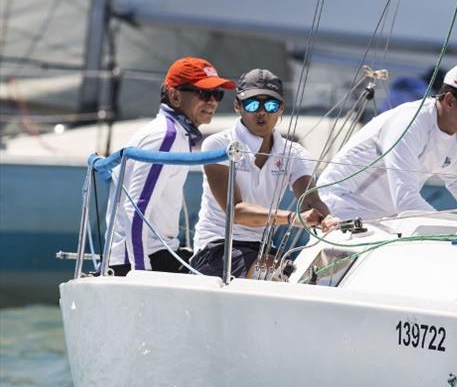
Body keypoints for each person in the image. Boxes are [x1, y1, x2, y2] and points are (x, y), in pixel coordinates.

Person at [191, 68, 337, 279]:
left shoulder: (294, 152)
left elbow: (310, 200)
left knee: (311, 276)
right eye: (252, 104)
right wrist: (292, 218)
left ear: (281, 109)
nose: (262, 112)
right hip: (216, 247)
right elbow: (236, 212)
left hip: (261, 249)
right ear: (237, 106)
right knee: (274, 273)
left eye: (270, 105)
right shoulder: (219, 144)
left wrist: (328, 218)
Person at [318, 62, 457, 220]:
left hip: (382, 221)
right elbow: (407, 201)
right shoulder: (409, 123)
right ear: (449, 101)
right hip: (338, 211)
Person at [108, 56, 234, 276]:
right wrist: (139, 275)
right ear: (175, 96)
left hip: (153, 253)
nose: (213, 101)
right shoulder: (167, 137)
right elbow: (136, 211)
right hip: (140, 260)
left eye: (218, 94)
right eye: (204, 94)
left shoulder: (174, 133)